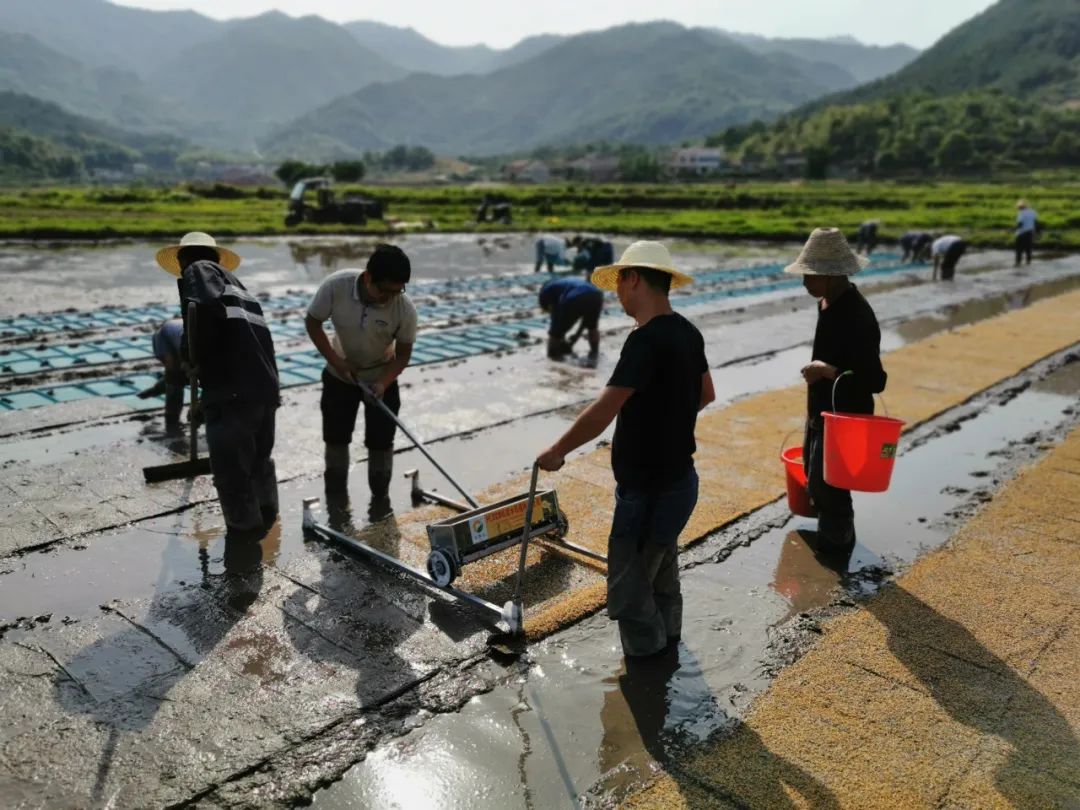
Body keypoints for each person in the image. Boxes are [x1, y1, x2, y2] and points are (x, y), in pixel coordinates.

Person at [537, 241, 715, 658]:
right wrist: (667, 418)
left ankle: (648, 674)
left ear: (633, 279)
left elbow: (603, 411)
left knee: (630, 591)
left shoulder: (644, 341)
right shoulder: (687, 331)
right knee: (662, 573)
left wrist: (558, 450)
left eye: (619, 283)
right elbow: (706, 393)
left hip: (647, 492)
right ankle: (670, 647)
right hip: (680, 483)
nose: (617, 293)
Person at [155, 231, 280, 540]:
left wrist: (192, 357)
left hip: (232, 391)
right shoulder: (238, 287)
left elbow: (200, 310)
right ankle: (268, 529)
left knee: (231, 473)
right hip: (263, 389)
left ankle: (244, 547)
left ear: (184, 259)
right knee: (258, 462)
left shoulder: (198, 270)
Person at [784, 228, 887, 556]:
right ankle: (831, 547)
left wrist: (827, 371)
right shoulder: (827, 303)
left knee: (831, 487)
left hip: (846, 416)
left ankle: (836, 555)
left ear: (830, 275)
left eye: (808, 276)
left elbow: (875, 380)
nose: (804, 283)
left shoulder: (857, 315)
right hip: (822, 411)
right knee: (816, 481)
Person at [305, 244, 417, 520]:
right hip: (339, 376)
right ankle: (336, 506)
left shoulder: (404, 309)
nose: (389, 298)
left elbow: (403, 355)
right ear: (368, 278)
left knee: (381, 441)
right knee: (336, 438)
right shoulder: (336, 286)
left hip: (381, 376)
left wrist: (383, 382)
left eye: (397, 291)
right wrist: (337, 361)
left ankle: (380, 504)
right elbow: (313, 322)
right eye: (385, 291)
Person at [538, 276, 604, 362]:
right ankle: (595, 353)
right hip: (596, 295)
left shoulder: (546, 290)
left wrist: (556, 332)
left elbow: (554, 313)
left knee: (554, 334)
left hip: (575, 297)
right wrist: (575, 337)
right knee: (592, 328)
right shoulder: (566, 282)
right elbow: (585, 322)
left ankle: (552, 359)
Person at [137, 317, 186, 429]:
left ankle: (157, 390)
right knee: (175, 377)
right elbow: (172, 369)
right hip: (175, 337)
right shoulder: (164, 335)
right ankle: (172, 421)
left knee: (176, 377)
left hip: (189, 340)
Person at [1015, 200, 1038, 266]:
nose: (1018, 209)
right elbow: (1035, 222)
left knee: (1019, 250)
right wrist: (1036, 232)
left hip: (1022, 233)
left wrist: (1011, 230)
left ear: (1020, 207)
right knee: (1028, 249)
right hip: (1030, 233)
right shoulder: (1033, 212)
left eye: (1019, 207)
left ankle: (1018, 263)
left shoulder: (1021, 213)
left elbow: (1020, 224)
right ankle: (1028, 262)